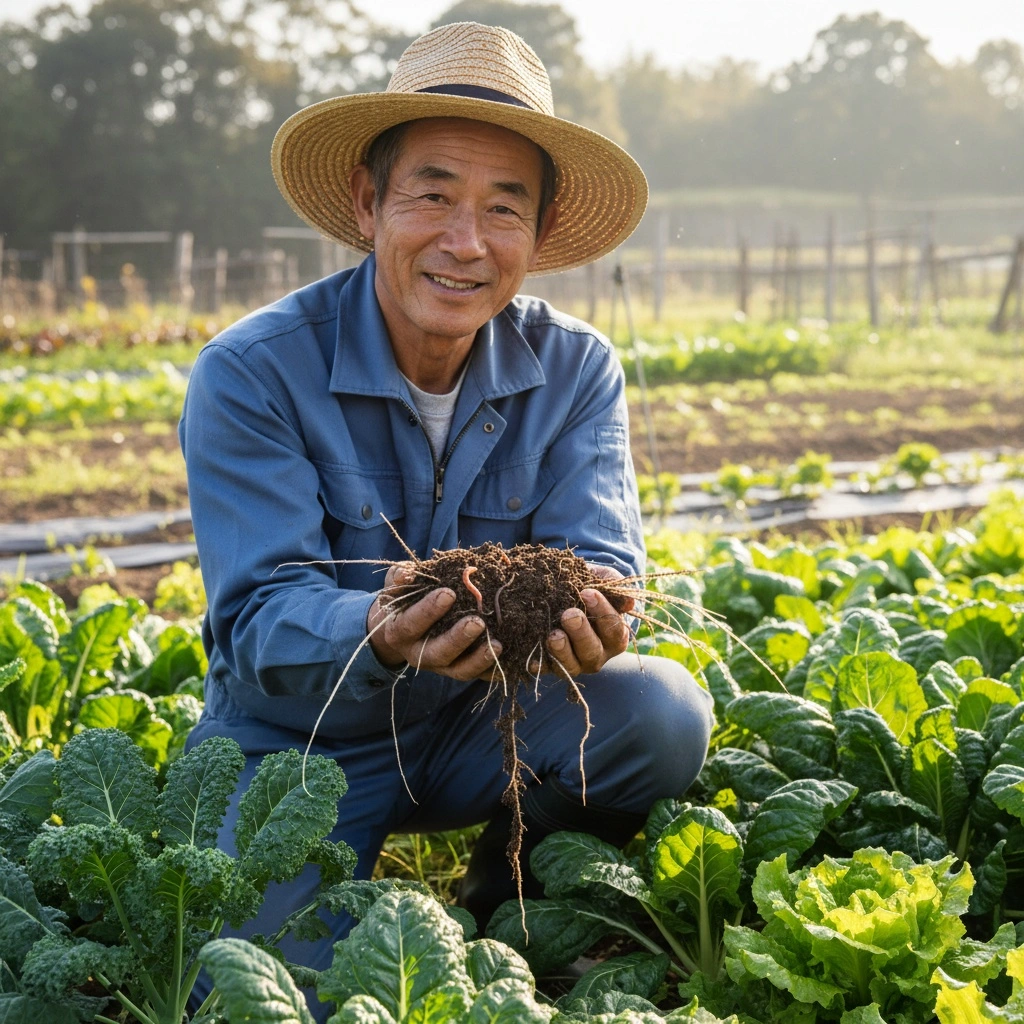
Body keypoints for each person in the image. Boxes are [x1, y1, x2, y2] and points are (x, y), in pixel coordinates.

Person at [180, 20, 713, 1020]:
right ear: (366, 202)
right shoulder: (253, 371)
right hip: (305, 746)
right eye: (432, 195)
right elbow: (256, 620)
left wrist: (601, 613)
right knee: (272, 987)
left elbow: (599, 555)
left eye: (502, 207)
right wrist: (379, 630)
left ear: (541, 232)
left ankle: (504, 887)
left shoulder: (575, 367)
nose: (465, 242)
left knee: (661, 713)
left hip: (485, 723)